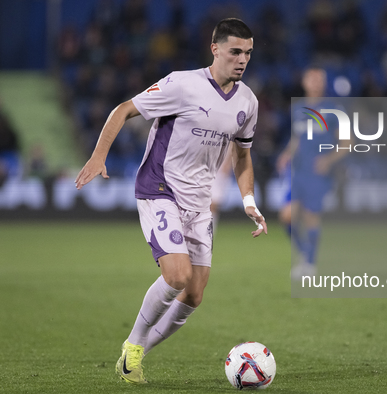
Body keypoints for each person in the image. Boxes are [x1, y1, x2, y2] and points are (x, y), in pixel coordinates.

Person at [75, 18, 267, 384]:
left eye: (248, 53)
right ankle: (134, 345)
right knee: (177, 276)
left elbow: (242, 156)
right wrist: (99, 155)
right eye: (235, 52)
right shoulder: (183, 84)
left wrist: (248, 200)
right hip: (159, 187)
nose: (242, 60)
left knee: (194, 295)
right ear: (215, 49)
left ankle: (134, 354)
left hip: (199, 201)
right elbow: (123, 109)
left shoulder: (248, 102)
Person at [276, 67, 347, 279]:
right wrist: (286, 154)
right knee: (286, 216)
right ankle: (306, 255)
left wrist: (328, 159)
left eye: (320, 80)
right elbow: (297, 138)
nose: (316, 83)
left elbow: (347, 142)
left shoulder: (334, 110)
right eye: (312, 79)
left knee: (310, 216)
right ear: (304, 82)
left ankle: (309, 264)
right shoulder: (298, 108)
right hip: (299, 171)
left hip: (318, 173)